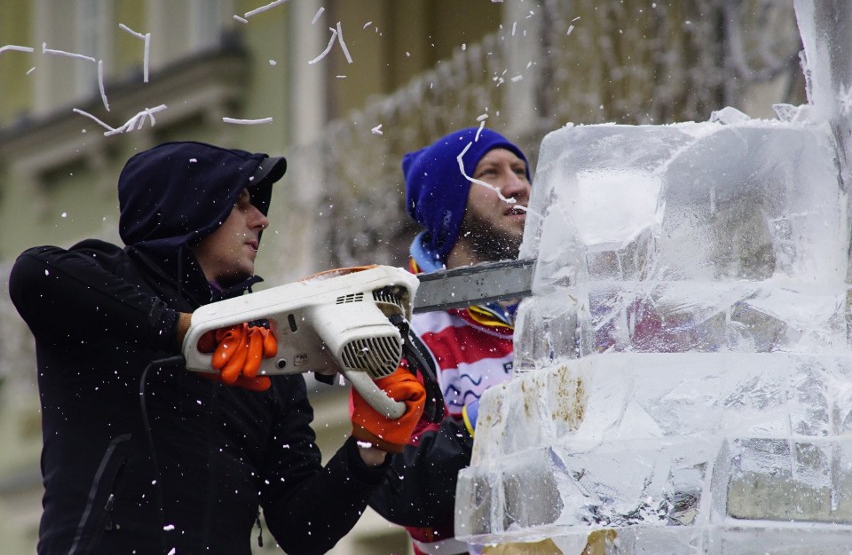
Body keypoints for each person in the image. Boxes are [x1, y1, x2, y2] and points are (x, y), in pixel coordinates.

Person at [8, 141, 425, 555]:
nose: (261, 219)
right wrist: (184, 329)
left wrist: (370, 449)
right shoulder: (109, 285)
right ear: (190, 205)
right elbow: (35, 273)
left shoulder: (265, 349)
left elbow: (302, 530)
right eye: (240, 203)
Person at [369, 127, 531, 555]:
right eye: (490, 173)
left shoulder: (568, 304)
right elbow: (399, 488)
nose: (518, 186)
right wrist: (490, 420)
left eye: (519, 170)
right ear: (449, 204)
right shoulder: (399, 327)